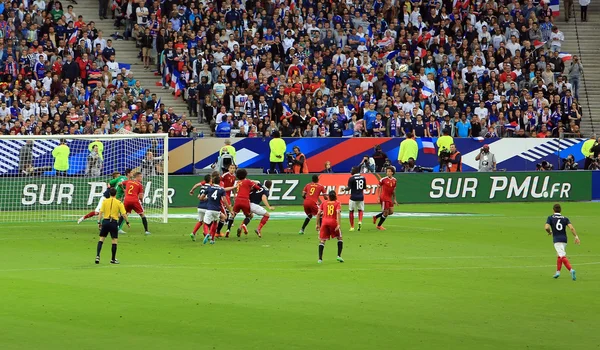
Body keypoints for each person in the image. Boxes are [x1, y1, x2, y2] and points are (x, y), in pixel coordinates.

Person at [545, 204, 580, 280]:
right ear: (560, 210)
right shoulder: (565, 218)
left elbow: (546, 227)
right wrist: (576, 237)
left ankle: (571, 270)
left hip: (557, 240)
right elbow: (571, 228)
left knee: (562, 256)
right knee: (559, 255)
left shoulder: (550, 218)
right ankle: (558, 272)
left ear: (553, 210)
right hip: (564, 239)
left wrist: (550, 232)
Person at [95, 188, 130, 265]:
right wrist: (127, 222)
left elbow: (100, 213)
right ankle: (113, 259)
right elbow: (124, 214)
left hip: (105, 221)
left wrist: (98, 222)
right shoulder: (119, 203)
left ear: (109, 194)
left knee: (101, 239)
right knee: (114, 240)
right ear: (116, 194)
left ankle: (97, 256)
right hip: (113, 222)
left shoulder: (104, 202)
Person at [316, 190, 344, 264]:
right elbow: (338, 213)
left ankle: (320, 259)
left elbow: (318, 213)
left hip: (324, 223)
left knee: (322, 240)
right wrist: (338, 224)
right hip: (333, 222)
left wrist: (317, 224)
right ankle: (339, 256)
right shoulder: (337, 203)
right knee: (339, 238)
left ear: (329, 196)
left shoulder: (324, 203)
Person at [200, 174, 229, 245]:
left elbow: (201, 198)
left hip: (209, 209)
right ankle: (212, 239)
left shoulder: (209, 188)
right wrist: (229, 209)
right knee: (215, 223)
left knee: (206, 223)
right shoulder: (222, 190)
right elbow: (225, 200)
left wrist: (206, 198)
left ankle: (207, 234)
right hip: (217, 210)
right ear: (219, 182)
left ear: (212, 181)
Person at [232, 168, 261, 237]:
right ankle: (243, 225)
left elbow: (235, 189)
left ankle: (228, 230)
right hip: (245, 200)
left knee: (233, 214)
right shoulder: (248, 181)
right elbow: (257, 188)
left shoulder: (238, 182)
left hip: (237, 200)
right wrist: (256, 185)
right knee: (250, 215)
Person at [189, 174, 212, 241]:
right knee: (208, 222)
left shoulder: (202, 186)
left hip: (200, 207)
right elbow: (206, 197)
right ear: (210, 180)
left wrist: (192, 190)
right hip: (207, 207)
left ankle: (193, 233)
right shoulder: (211, 187)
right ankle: (207, 234)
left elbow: (199, 196)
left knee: (200, 221)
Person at [345, 167, 366, 232]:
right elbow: (364, 187)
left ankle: (352, 227)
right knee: (360, 210)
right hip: (361, 197)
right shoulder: (363, 178)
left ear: (355, 171)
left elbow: (348, 188)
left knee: (351, 211)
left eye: (352, 170)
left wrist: (344, 189)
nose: (350, 171)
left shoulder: (351, 179)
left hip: (353, 197)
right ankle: (360, 221)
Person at [222, 164, 238, 236]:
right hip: (223, 192)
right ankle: (226, 220)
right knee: (228, 206)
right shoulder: (225, 175)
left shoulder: (234, 177)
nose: (232, 169)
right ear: (228, 169)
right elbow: (219, 182)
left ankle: (226, 220)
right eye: (231, 168)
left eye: (233, 168)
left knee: (228, 206)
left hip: (228, 193)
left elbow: (233, 186)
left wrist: (234, 194)